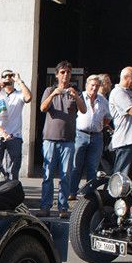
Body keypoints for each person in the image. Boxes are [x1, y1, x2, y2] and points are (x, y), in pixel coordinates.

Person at [38, 60, 85, 217]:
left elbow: (83, 110)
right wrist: (53, 94)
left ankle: (63, 207)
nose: (65, 75)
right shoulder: (49, 90)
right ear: (57, 74)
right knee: (48, 175)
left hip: (68, 140)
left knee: (66, 175)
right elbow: (43, 108)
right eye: (63, 72)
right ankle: (45, 205)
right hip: (50, 139)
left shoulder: (75, 92)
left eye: (68, 72)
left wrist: (76, 97)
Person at [70, 74, 111, 198]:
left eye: (97, 86)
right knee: (76, 166)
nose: (94, 88)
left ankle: (89, 194)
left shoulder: (103, 100)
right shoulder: (79, 97)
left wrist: (99, 127)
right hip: (80, 134)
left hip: (96, 136)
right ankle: (72, 191)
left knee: (92, 167)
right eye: (92, 85)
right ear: (86, 85)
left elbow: (108, 117)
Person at [0, 69, 32, 181]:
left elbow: (28, 98)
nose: (8, 79)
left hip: (14, 135)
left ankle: (11, 190)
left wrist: (19, 81)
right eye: (5, 76)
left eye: (10, 76)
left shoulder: (19, 94)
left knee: (12, 169)